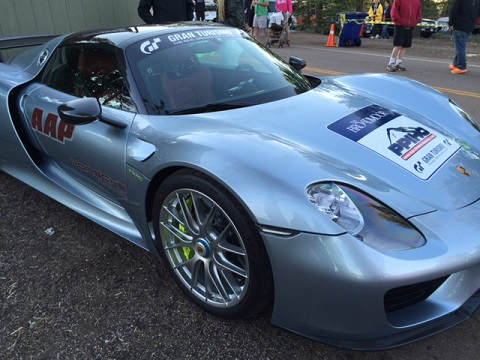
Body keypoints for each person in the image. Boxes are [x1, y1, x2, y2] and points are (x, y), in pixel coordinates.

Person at [386, 0, 421, 72]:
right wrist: (399, 21)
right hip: (400, 26)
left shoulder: (417, 1)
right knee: (398, 45)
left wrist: (415, 22)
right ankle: (391, 64)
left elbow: (418, 13)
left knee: (405, 46)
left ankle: (398, 63)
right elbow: (393, 12)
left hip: (410, 26)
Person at [448, 0, 480, 74]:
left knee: (460, 47)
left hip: (459, 25)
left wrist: (451, 23)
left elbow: (453, 10)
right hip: (469, 26)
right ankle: (456, 64)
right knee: (460, 45)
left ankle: (461, 67)